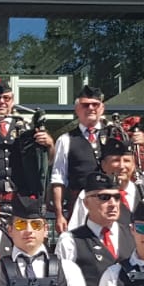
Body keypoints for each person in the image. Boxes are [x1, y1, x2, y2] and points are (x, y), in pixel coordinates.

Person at [49, 85, 107, 233]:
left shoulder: (114, 135)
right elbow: (58, 179)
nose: (91, 108)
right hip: (79, 207)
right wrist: (59, 215)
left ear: (102, 108)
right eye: (85, 105)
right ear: (77, 109)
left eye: (95, 104)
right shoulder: (65, 140)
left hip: (111, 204)